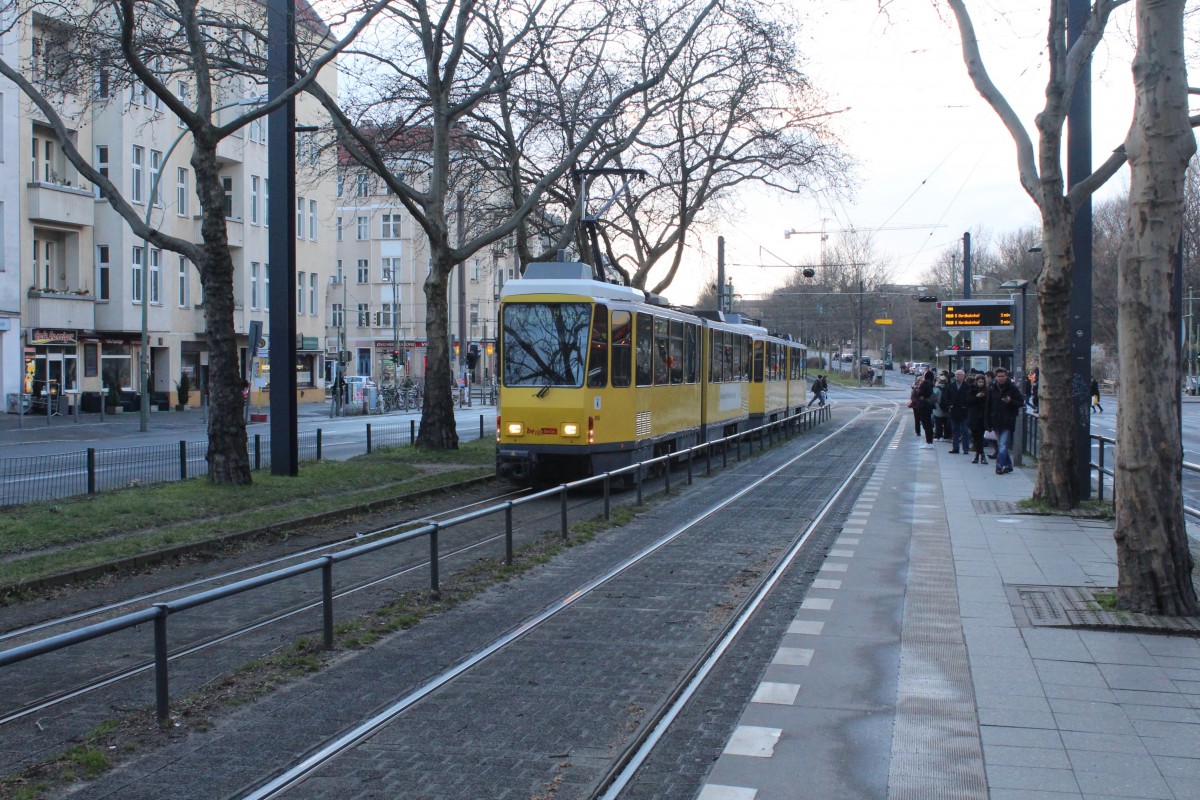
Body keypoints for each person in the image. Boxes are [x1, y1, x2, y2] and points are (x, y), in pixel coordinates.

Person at [985, 367, 1024, 474]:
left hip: (1007, 420)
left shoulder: (1012, 388)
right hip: (996, 420)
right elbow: (988, 405)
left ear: (1006, 376)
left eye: (1003, 376)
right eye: (999, 376)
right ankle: (1009, 465)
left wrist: (1010, 401)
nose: (1001, 378)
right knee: (1002, 444)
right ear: (996, 377)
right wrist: (987, 421)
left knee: (1002, 445)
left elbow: (1020, 402)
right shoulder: (992, 388)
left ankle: (999, 466)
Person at [942, 369, 972, 454]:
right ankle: (955, 448)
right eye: (956, 375)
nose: (957, 376)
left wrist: (966, 406)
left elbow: (969, 398)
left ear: (963, 376)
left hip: (964, 411)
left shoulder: (967, 386)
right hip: (954, 410)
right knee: (955, 430)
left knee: (965, 431)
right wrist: (949, 405)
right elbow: (946, 397)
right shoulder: (951, 386)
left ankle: (965, 448)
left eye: (959, 375)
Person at [967, 373, 989, 464]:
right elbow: (968, 401)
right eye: (979, 382)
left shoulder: (987, 391)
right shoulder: (971, 390)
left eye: (982, 382)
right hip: (973, 416)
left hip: (982, 417)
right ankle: (980, 454)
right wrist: (976, 397)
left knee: (980, 436)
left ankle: (979, 455)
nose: (981, 384)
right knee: (976, 437)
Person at [916, 369, 937, 449]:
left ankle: (928, 442)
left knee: (926, 424)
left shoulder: (925, 383)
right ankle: (929, 441)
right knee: (928, 424)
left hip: (923, 406)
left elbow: (919, 394)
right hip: (929, 406)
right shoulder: (932, 383)